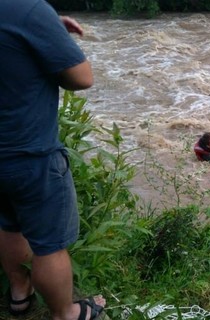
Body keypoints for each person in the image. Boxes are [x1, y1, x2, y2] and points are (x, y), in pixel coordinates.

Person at [0, 1, 105, 319]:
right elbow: (81, 77)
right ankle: (66, 312)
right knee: (49, 245)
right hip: (30, 154)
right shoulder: (29, 10)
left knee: (8, 224)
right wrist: (45, 27)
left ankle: (20, 293)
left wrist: (45, 25)